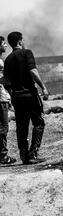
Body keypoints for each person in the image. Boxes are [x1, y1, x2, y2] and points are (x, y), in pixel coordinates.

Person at [3, 32, 49, 165]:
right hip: (30, 95)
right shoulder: (27, 53)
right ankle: (33, 153)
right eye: (23, 40)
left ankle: (24, 156)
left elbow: (6, 81)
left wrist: (13, 95)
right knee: (38, 123)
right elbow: (32, 71)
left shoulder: (8, 59)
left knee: (21, 127)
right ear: (20, 41)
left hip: (17, 97)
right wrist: (43, 87)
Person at [0, 36, 16, 165]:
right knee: (3, 127)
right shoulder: (0, 62)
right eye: (3, 43)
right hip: (1, 98)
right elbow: (2, 81)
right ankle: (3, 155)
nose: (5, 45)